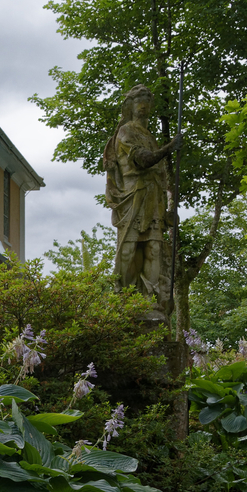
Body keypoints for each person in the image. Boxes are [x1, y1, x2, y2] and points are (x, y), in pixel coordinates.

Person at [102, 84, 181, 321]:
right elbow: (142, 160)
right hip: (133, 197)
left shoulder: (149, 136)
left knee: (154, 248)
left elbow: (160, 174)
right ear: (130, 105)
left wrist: (168, 208)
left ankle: (150, 299)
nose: (144, 105)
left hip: (153, 198)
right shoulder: (126, 131)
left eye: (147, 100)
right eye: (139, 100)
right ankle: (124, 299)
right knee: (128, 249)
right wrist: (170, 148)